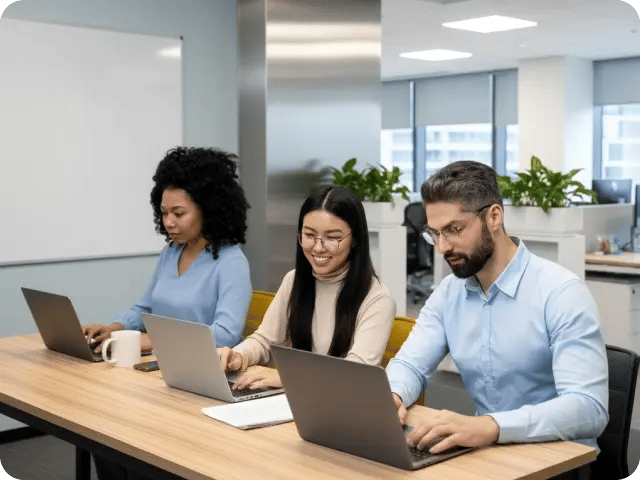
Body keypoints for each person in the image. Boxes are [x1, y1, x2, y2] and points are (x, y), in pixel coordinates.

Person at [386, 161, 608, 456]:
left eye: (454, 230)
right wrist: (394, 393)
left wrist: (491, 426)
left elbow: (588, 408)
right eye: (435, 233)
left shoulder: (561, 293)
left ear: (494, 216)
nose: (442, 247)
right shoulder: (449, 293)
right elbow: (411, 364)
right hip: (489, 453)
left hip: (557, 459)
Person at [219, 186, 396, 390]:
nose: (318, 247)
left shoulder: (377, 299)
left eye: (332, 238)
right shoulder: (293, 280)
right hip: (296, 399)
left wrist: (290, 380)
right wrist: (239, 356)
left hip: (339, 407)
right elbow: (265, 340)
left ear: (355, 239)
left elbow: (356, 373)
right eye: (309, 235)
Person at [84, 146, 252, 353]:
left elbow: (226, 335)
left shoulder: (231, 262)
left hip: (207, 368)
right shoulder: (171, 252)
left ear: (209, 211)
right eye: (164, 213)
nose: (169, 222)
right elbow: (145, 310)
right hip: (165, 363)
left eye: (178, 214)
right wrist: (113, 329)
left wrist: (153, 341)